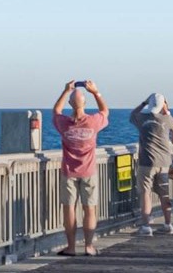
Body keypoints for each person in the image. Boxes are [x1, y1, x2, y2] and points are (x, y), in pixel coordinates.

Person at [51, 80, 109, 256]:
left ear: (70, 103)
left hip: (69, 172)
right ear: (84, 103)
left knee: (69, 209)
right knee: (89, 208)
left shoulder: (64, 123)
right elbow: (105, 111)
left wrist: (65, 91)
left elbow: (56, 112)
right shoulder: (93, 122)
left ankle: (70, 247)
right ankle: (89, 246)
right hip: (89, 171)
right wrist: (96, 92)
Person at [130, 93, 173, 236]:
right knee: (164, 195)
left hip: (147, 162)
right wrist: (166, 109)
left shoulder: (142, 118)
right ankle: (168, 224)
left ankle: (146, 226)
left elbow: (132, 114)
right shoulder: (167, 119)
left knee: (146, 194)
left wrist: (143, 103)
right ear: (163, 104)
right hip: (164, 162)